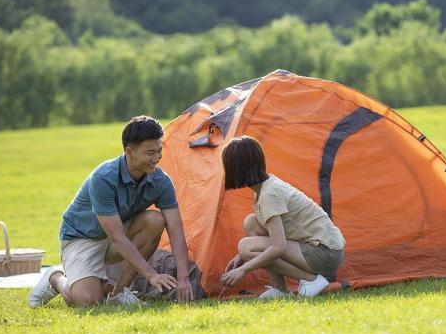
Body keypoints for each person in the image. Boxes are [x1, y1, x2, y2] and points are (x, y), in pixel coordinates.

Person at [28, 116, 194, 307]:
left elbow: (176, 229)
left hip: (117, 236)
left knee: (155, 220)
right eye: (150, 153)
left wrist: (183, 277)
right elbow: (117, 237)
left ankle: (118, 293)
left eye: (159, 151)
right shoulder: (103, 177)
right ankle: (55, 278)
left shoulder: (161, 181)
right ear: (129, 152)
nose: (157, 158)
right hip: (82, 238)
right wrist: (151, 274)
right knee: (88, 302)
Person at [220, 136, 345, 299]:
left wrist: (244, 268)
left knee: (246, 247)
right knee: (251, 223)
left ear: (237, 168)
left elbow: (278, 246)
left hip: (325, 252)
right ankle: (279, 290)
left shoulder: (269, 194)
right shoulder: (264, 188)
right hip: (316, 248)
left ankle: (311, 280)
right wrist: (241, 258)